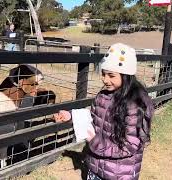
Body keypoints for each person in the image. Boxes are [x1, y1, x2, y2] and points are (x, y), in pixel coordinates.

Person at [54, 43, 155, 180]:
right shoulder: (103, 95)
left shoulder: (135, 105)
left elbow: (129, 146)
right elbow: (94, 116)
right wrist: (71, 115)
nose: (105, 79)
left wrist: (95, 143)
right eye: (103, 74)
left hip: (119, 173)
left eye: (111, 75)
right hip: (96, 166)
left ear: (126, 75)